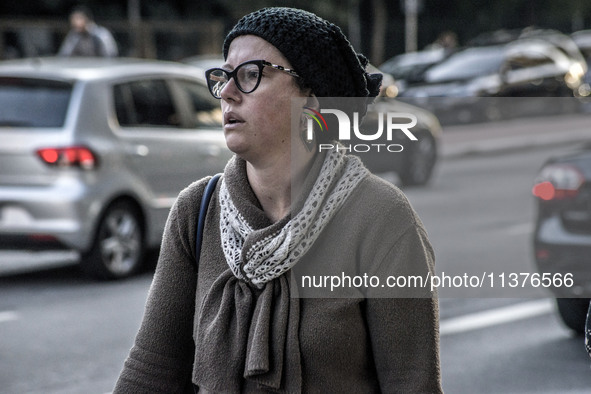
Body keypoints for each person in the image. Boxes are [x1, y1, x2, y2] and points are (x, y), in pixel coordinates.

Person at [114, 7, 442, 393]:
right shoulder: (196, 212)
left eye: (252, 74)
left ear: (311, 99)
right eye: (223, 77)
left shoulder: (381, 217)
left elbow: (412, 384)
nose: (228, 93)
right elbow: (153, 370)